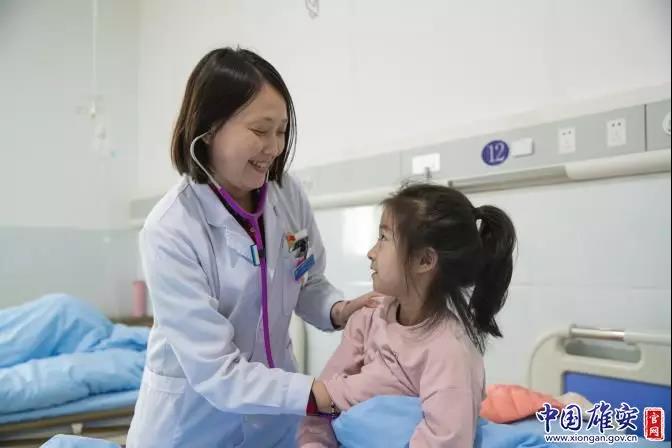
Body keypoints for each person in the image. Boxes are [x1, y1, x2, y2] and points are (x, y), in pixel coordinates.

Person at [126, 47, 381, 448]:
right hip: (192, 428)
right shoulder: (171, 228)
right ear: (209, 129)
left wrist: (339, 310)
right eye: (261, 131)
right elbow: (217, 372)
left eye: (282, 131)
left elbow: (306, 279)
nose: (275, 147)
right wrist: (321, 393)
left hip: (275, 424)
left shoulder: (286, 194)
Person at [299, 183, 517, 447]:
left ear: (424, 260)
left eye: (383, 238)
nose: (371, 253)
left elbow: (444, 441)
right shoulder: (369, 316)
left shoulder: (449, 352)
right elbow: (320, 403)